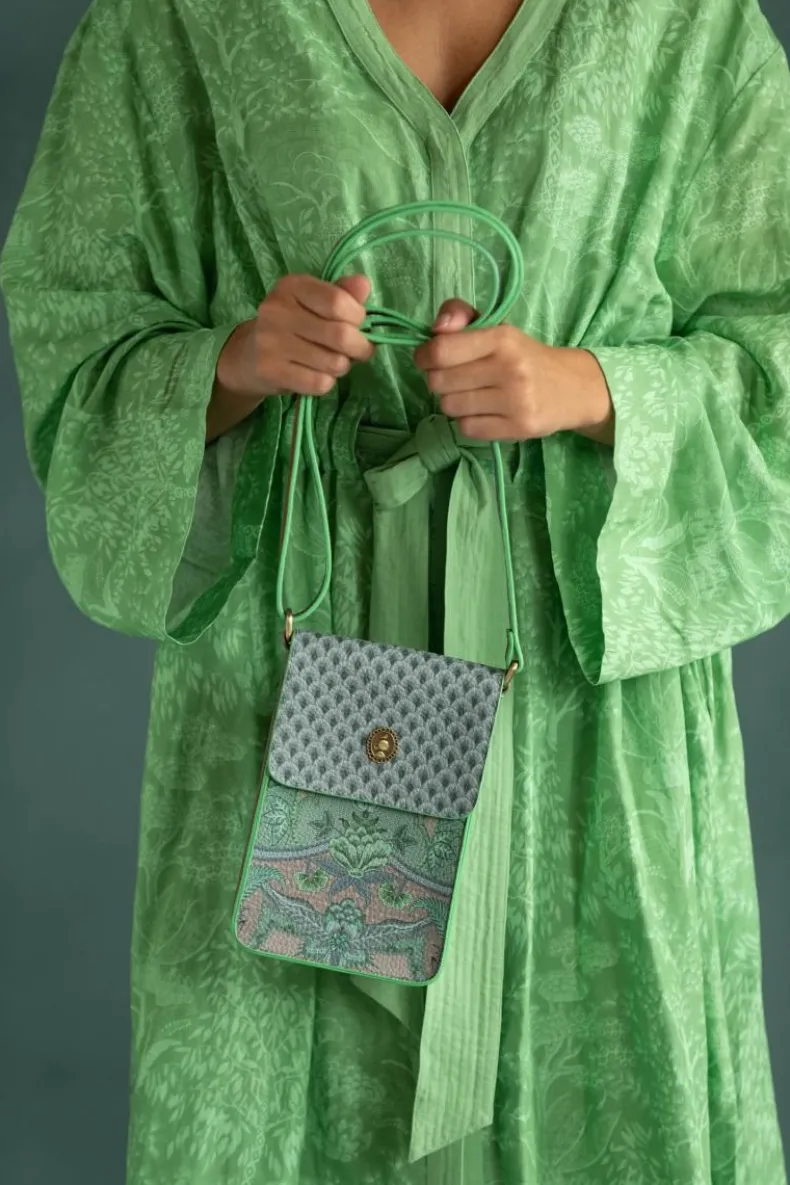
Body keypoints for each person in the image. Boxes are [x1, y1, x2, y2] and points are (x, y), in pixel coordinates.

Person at [2, 0, 789, 1181]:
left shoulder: (684, 26)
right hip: (297, 660)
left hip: (582, 699)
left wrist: (589, 385)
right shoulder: (179, 21)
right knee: (284, 1071)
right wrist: (234, 361)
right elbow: (76, 330)